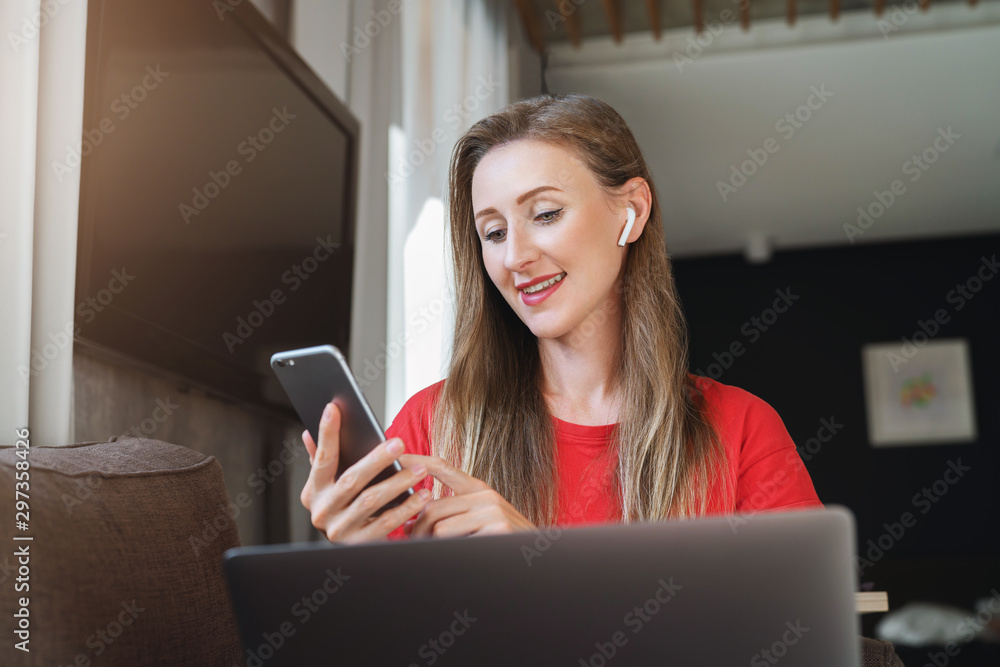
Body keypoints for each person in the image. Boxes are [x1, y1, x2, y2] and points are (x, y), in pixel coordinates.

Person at [299, 93, 822, 545]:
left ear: (631, 212)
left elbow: (797, 639)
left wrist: (541, 563)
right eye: (494, 232)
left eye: (545, 214)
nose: (514, 257)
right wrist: (356, 561)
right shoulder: (432, 424)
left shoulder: (741, 430)